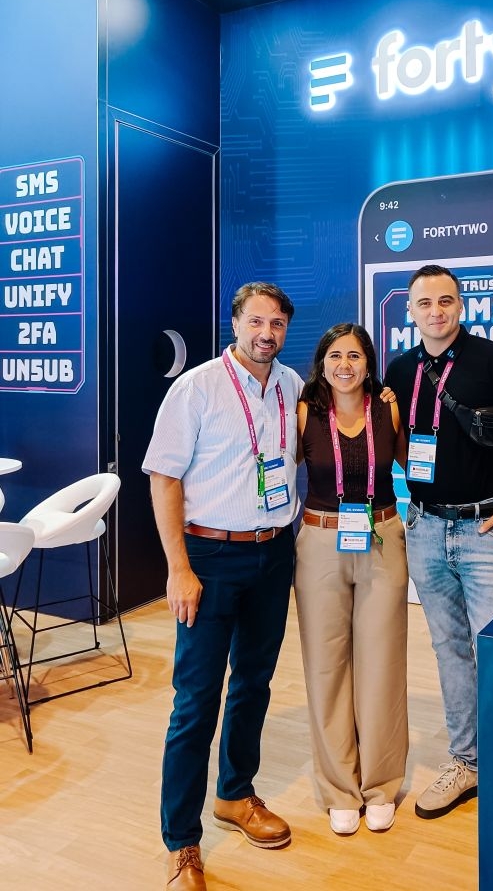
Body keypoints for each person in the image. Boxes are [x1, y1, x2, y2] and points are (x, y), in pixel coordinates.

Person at [143, 282, 303, 891]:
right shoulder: (197, 388)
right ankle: (181, 842)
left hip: (273, 553)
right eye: (256, 321)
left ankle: (235, 794)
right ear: (235, 324)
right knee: (196, 701)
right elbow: (163, 479)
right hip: (208, 557)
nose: (267, 333)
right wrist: (178, 568)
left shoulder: (291, 385)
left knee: (254, 683)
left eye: (277, 323)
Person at [384, 264, 493, 820]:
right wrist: (422, 496)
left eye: (446, 301)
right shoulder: (399, 369)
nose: (435, 311)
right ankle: (468, 761)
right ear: (410, 311)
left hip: (488, 531)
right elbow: (399, 441)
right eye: (424, 303)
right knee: (449, 649)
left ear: (461, 305)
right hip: (426, 530)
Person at [295, 323, 409, 836]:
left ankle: (381, 785)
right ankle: (340, 787)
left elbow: (414, 463)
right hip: (321, 541)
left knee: (382, 664)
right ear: (322, 363)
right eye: (336, 355)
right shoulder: (304, 411)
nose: (345, 364)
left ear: (368, 363)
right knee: (326, 665)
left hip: (381, 538)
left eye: (355, 356)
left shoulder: (387, 408)